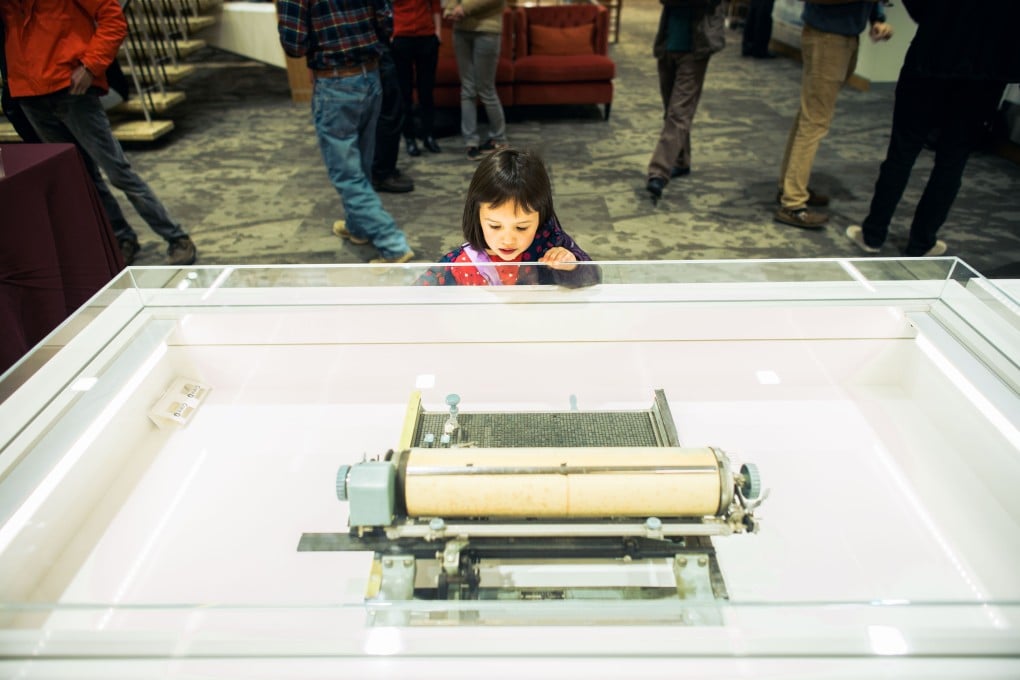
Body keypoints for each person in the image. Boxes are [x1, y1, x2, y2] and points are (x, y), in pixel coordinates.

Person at [1, 0, 197, 267]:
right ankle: (121, 238)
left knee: (117, 171)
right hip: (30, 95)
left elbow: (113, 19)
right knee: (82, 178)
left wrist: (91, 66)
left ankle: (176, 237)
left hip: (71, 90)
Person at [846, 0, 1020, 257]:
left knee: (902, 152)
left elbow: (918, 8)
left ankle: (873, 234)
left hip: (931, 57)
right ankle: (922, 242)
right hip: (985, 72)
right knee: (953, 160)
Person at [278, 0, 415, 263]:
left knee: (347, 175)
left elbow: (294, 45)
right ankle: (358, 227)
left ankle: (393, 245)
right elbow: (386, 19)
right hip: (371, 76)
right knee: (361, 165)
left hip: (335, 83)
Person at [774, 0, 892, 229]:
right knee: (814, 121)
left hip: (844, 36)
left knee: (809, 115)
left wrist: (876, 18)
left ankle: (789, 189)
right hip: (827, 37)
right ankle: (793, 203)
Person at [417, 148, 600, 287]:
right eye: (495, 226)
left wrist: (571, 265)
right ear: (477, 216)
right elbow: (416, 299)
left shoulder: (551, 243)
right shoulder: (459, 263)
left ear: (541, 217)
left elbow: (594, 277)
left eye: (521, 227)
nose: (508, 240)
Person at [645, 0, 726, 201]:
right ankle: (681, 160)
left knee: (678, 113)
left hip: (695, 47)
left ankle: (659, 172)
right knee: (671, 110)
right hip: (668, 43)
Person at [445, 0, 509, 161]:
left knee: (486, 89)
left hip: (486, 30)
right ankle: (470, 142)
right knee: (467, 89)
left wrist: (463, 8)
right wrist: (450, 9)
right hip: (461, 30)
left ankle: (499, 139)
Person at [391, 0, 443, 157]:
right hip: (401, 37)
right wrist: (390, 34)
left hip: (426, 36)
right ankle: (409, 138)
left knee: (426, 91)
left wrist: (438, 32)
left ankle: (428, 135)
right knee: (404, 92)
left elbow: (435, 5)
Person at [372, 48, 416, 193]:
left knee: (392, 112)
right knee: (388, 114)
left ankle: (385, 169)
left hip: (381, 54)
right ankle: (381, 173)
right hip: (377, 54)